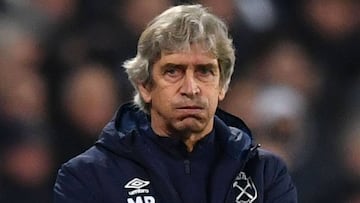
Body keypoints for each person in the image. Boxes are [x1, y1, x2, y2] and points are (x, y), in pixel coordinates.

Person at [53, 4, 297, 203]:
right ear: (145, 86)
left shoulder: (265, 174)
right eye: (173, 72)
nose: (190, 89)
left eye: (204, 72)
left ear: (222, 86)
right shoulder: (88, 176)